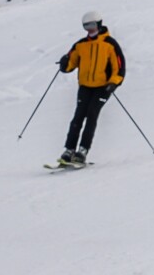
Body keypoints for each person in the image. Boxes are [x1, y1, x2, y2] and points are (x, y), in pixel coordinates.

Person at [54, 11, 125, 167]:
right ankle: (69, 150)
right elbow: (71, 64)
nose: (89, 29)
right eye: (86, 26)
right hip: (85, 87)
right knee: (78, 117)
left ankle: (82, 151)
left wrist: (113, 83)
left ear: (99, 24)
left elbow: (119, 68)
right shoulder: (80, 45)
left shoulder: (110, 44)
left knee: (92, 115)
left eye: (92, 25)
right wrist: (64, 64)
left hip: (103, 88)